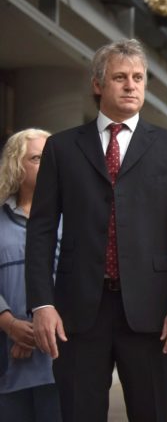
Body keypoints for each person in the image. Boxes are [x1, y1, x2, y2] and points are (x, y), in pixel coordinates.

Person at [25, 38, 167, 422]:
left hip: (152, 313)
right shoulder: (61, 148)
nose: (131, 85)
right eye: (120, 77)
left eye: (138, 77)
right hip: (76, 313)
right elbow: (40, 231)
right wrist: (41, 304)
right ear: (98, 84)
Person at [0, 129, 61, 422]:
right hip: (6, 356)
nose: (47, 164)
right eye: (37, 158)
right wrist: (10, 323)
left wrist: (38, 326)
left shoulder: (73, 217)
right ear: (16, 165)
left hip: (57, 357)